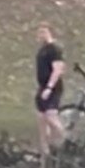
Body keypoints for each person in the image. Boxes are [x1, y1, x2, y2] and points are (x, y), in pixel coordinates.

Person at [34, 23, 66, 154]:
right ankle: (45, 150)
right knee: (41, 118)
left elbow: (58, 69)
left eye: (44, 32)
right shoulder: (42, 50)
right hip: (41, 86)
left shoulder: (55, 49)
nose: (41, 35)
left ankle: (64, 140)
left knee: (51, 117)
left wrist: (49, 87)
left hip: (53, 87)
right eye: (39, 32)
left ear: (50, 33)